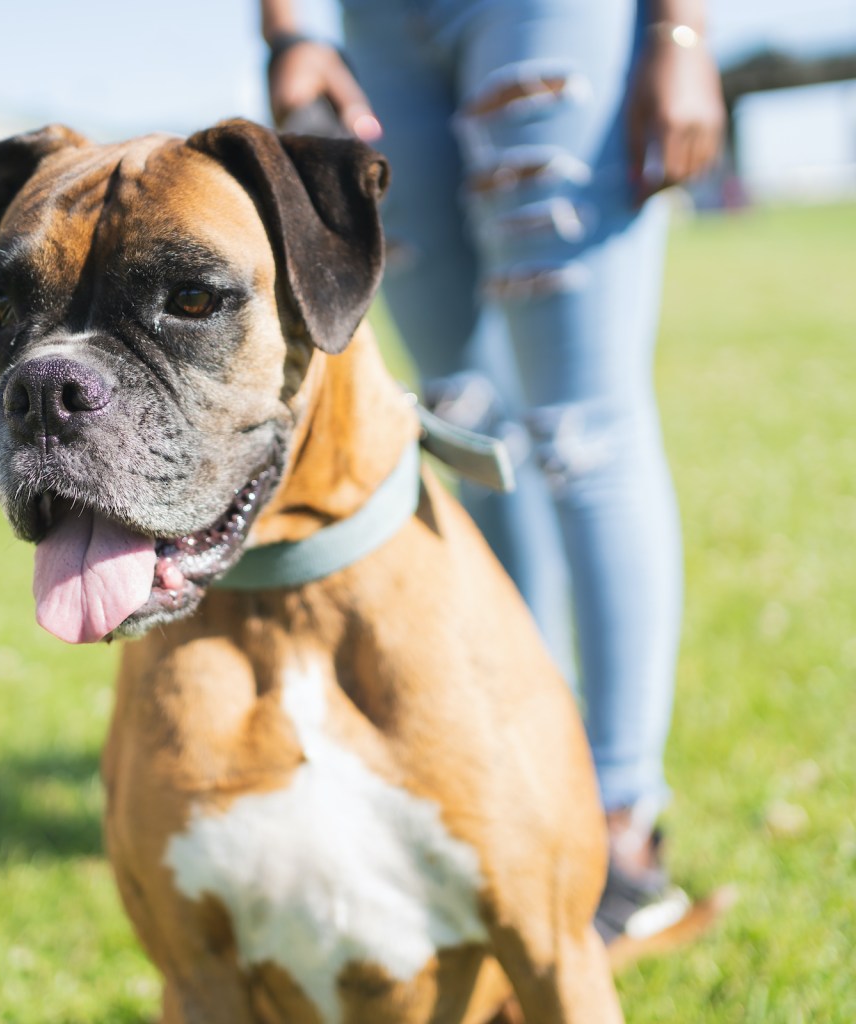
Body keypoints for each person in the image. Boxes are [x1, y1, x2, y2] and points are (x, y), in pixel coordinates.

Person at [260, 0, 725, 942]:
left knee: (581, 431)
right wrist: (291, 31)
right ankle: (527, 781)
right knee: (465, 414)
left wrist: (681, 33)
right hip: (381, 30)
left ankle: (620, 833)